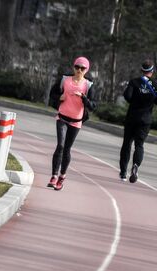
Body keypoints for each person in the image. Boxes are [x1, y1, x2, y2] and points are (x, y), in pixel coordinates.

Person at [47, 56, 97, 191]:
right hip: (62, 117)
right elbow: (52, 94)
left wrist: (84, 98)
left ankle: (62, 176)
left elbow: (93, 106)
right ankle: (53, 176)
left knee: (67, 149)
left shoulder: (88, 85)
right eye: (77, 67)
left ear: (86, 70)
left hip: (76, 121)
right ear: (73, 67)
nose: (79, 70)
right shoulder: (64, 80)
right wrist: (59, 97)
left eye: (82, 68)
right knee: (60, 146)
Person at [119, 59, 157, 183]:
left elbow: (127, 96)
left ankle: (123, 173)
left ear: (141, 70)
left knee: (126, 144)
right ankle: (135, 166)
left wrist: (135, 100)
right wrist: (150, 100)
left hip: (132, 117)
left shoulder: (134, 82)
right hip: (145, 120)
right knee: (139, 145)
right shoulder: (156, 86)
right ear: (152, 71)